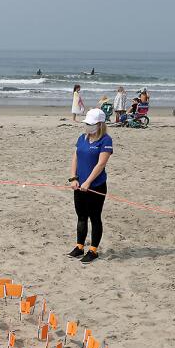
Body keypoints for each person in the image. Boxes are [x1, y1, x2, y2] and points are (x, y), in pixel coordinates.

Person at [68, 108, 113, 263]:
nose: (88, 126)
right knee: (81, 216)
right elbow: (75, 157)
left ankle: (93, 250)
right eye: (87, 123)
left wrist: (88, 182)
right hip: (79, 185)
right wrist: (73, 178)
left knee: (94, 217)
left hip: (96, 186)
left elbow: (100, 164)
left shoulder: (105, 140)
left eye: (91, 124)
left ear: (100, 124)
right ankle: (79, 246)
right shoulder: (82, 138)